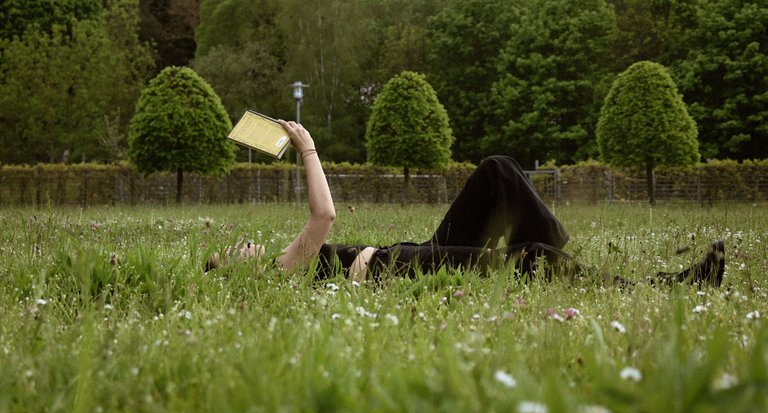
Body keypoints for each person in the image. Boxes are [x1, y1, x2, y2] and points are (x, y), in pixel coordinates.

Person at [208, 121, 726, 287]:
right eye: (233, 253)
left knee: (497, 169)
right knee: (527, 261)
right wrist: (307, 149)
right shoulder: (280, 270)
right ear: (236, 273)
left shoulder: (282, 264)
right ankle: (670, 286)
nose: (243, 244)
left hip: (414, 254)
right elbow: (324, 215)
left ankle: (542, 247)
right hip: (400, 268)